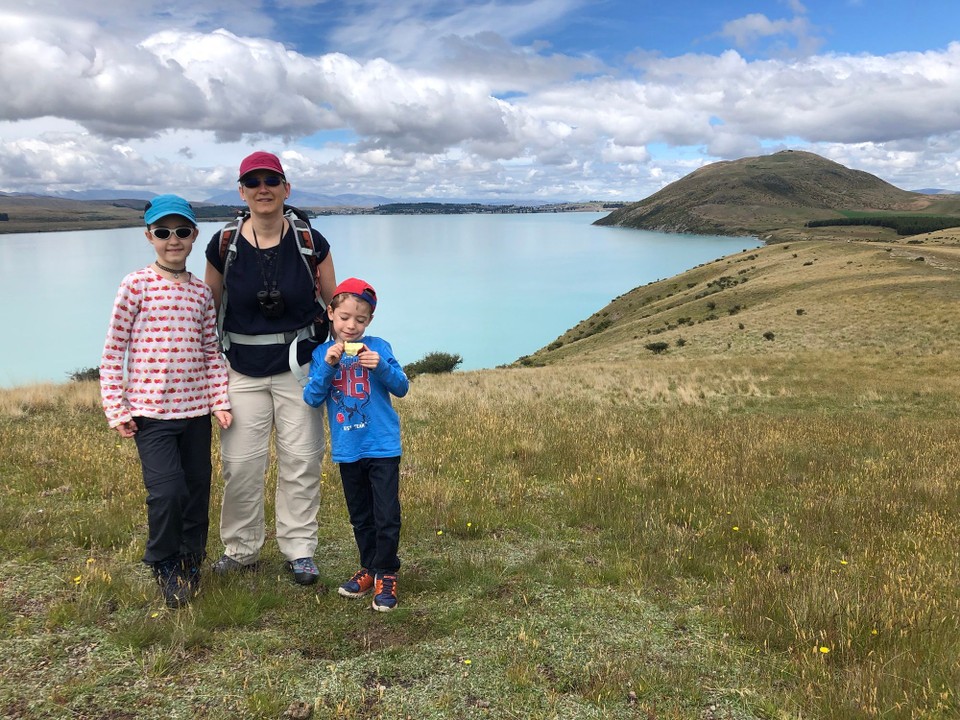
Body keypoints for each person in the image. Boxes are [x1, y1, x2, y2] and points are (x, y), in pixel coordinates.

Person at [204, 151, 336, 585]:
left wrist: (343, 360)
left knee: (301, 459)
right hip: (241, 368)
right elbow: (209, 310)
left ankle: (299, 550)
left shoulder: (310, 242)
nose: (263, 188)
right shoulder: (224, 244)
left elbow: (334, 307)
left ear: (286, 189)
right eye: (253, 181)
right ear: (242, 191)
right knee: (241, 464)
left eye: (271, 181)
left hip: (299, 369)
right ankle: (240, 549)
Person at [99, 194, 232, 609]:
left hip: (196, 414)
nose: (172, 239)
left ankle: (192, 560)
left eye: (181, 231)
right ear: (149, 236)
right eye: (162, 232)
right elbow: (113, 350)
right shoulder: (134, 284)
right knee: (167, 492)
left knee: (196, 490)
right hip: (150, 414)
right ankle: (163, 562)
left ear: (194, 235)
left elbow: (212, 352)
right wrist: (116, 408)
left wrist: (219, 401)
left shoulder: (200, 294)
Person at [303, 278, 409, 611]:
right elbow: (312, 398)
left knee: (386, 514)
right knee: (361, 516)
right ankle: (370, 567)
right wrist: (329, 366)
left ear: (369, 322)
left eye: (360, 320)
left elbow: (402, 386)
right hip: (348, 448)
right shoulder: (322, 354)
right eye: (345, 317)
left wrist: (381, 367)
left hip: (382, 446)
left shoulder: (380, 347)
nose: (352, 325)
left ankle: (387, 572)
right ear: (331, 313)